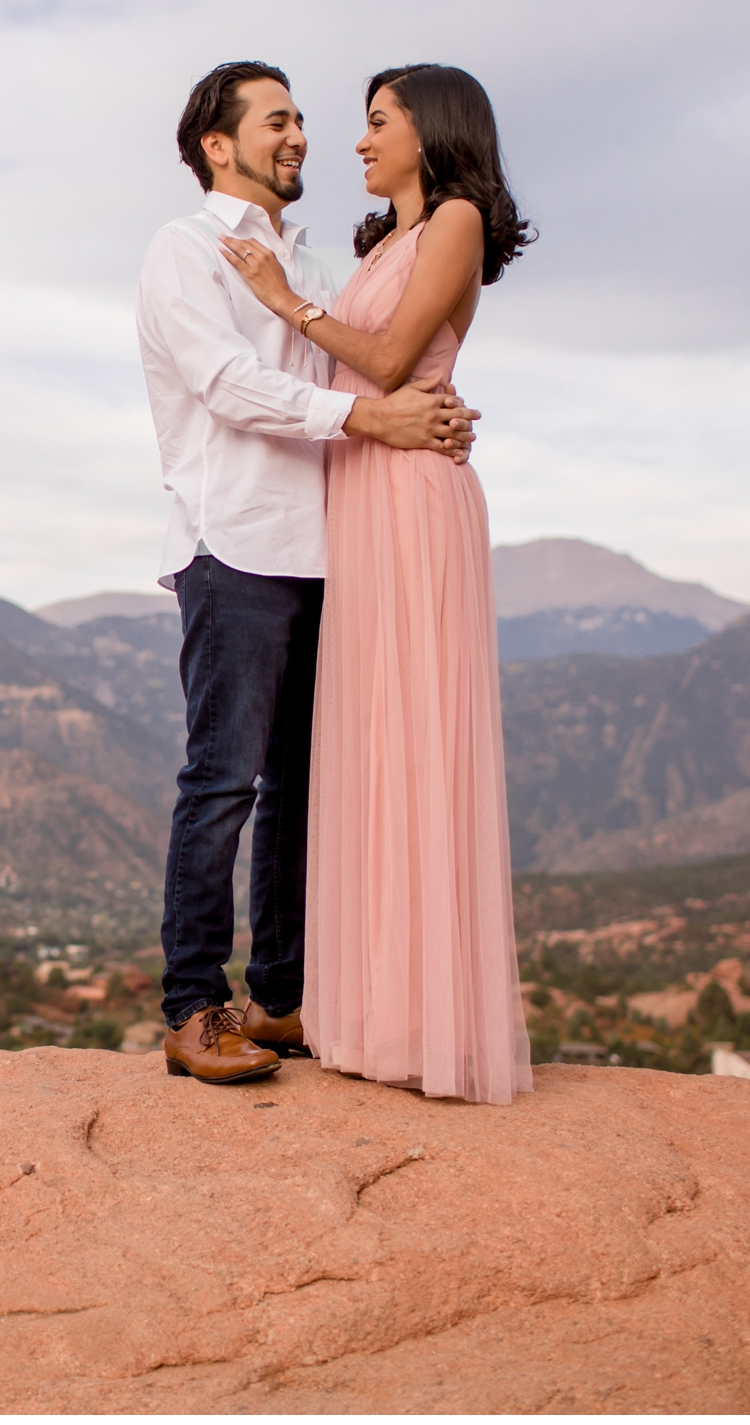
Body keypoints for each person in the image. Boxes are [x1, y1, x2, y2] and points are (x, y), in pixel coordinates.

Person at [138, 61, 481, 1085]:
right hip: (234, 542)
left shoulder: (321, 263)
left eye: (301, 121)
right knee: (221, 781)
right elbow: (230, 385)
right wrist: (372, 415)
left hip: (336, 545)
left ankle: (282, 999)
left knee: (300, 787)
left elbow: (372, 351)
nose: (299, 136)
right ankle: (195, 1007)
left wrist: (434, 402)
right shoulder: (182, 252)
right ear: (217, 143)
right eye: (276, 120)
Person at [219, 63, 536, 1103]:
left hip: (407, 497)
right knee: (366, 745)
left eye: (376, 122)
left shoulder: (453, 221)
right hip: (358, 495)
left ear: (429, 130)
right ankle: (369, 1009)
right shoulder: (382, 241)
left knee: (415, 740)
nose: (356, 141)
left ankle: (431, 1019)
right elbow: (358, 381)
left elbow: (394, 359)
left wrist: (285, 302)